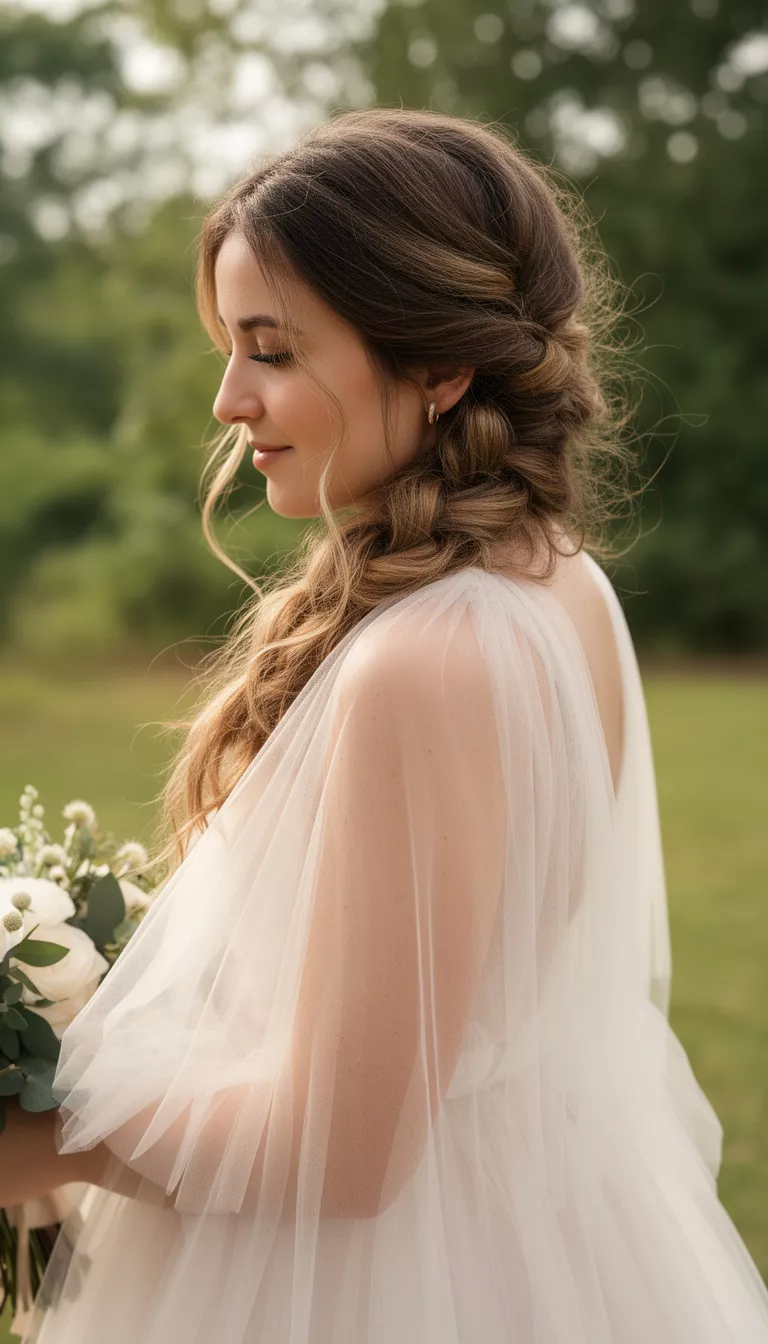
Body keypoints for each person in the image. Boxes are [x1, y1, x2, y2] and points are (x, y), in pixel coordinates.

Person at [4, 106, 768, 1343]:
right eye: (229, 347)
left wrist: (46, 1129)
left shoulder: (428, 661)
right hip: (525, 1226)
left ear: (439, 365)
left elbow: (346, 1150)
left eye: (272, 350)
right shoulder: (553, 578)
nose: (228, 399)